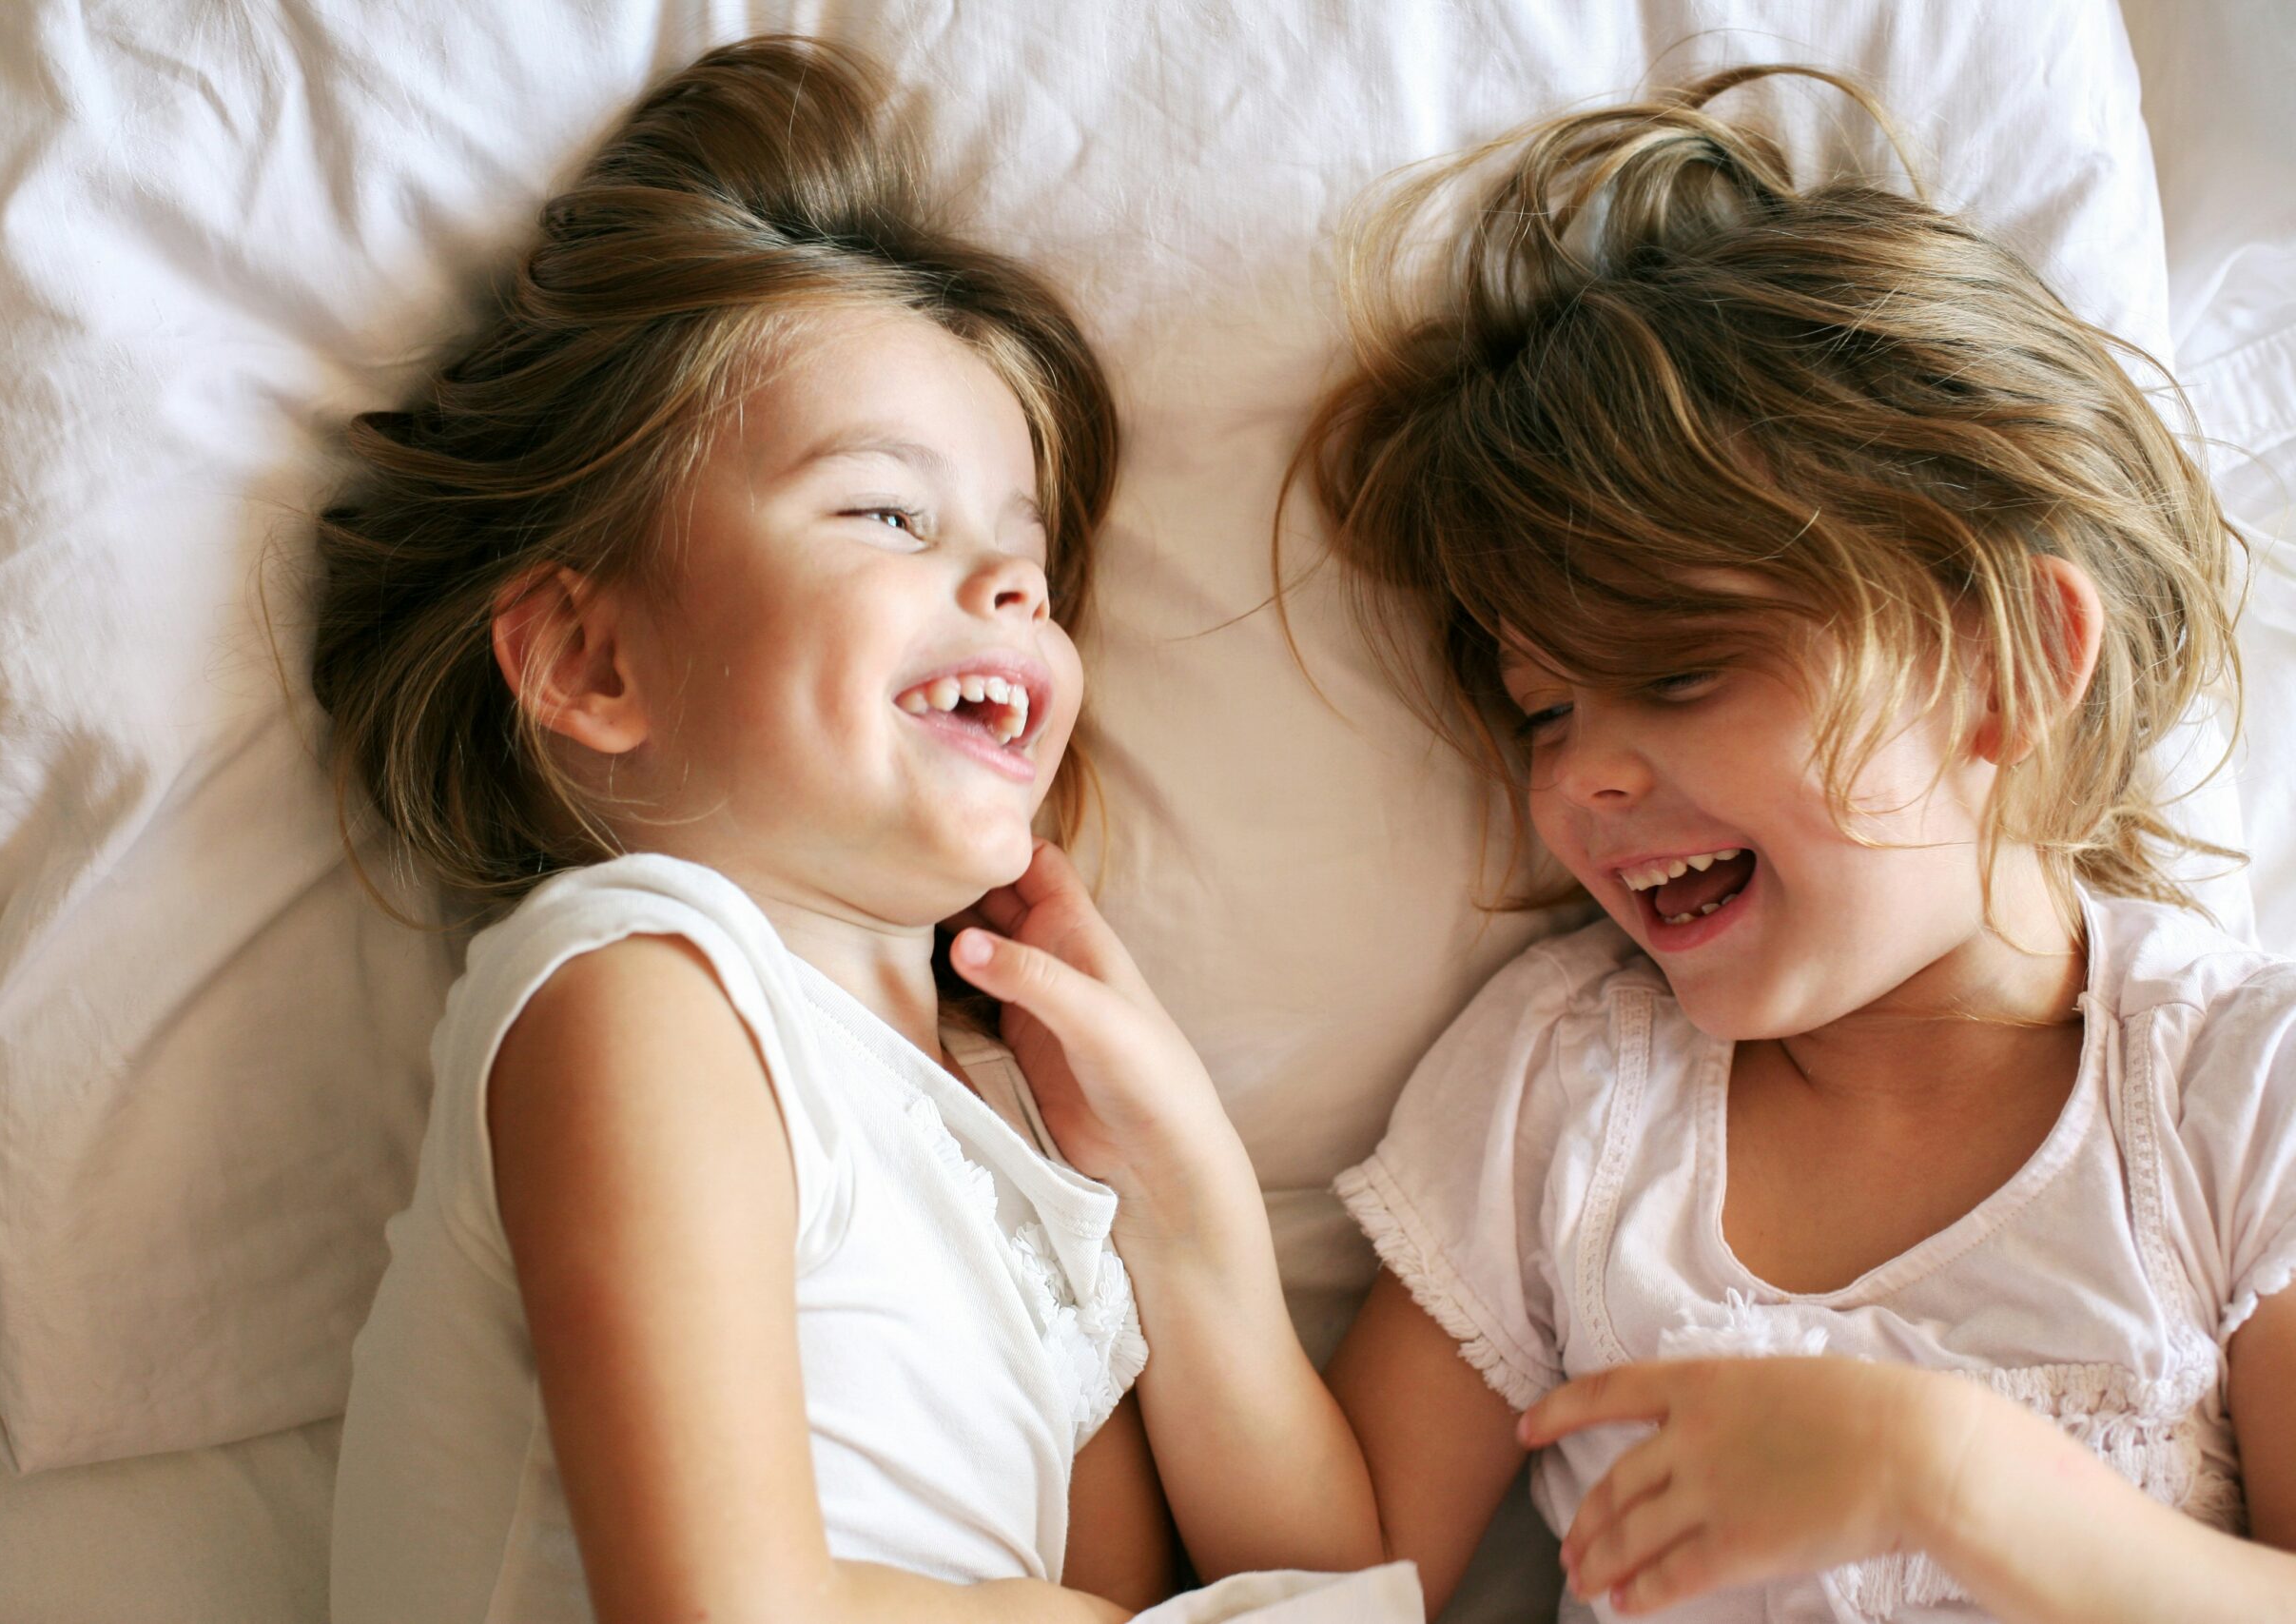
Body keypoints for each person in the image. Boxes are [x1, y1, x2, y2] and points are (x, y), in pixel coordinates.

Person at [955, 66, 2296, 1623]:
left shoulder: (2228, 1096)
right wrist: (1183, 1209)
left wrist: (1953, 1480)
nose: (1583, 777)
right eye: (1543, 710)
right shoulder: (1575, 1094)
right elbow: (1334, 1585)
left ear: (2003, 666)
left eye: (1675, 675)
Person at [311, 36, 1176, 1624]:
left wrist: (1192, 1207)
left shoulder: (1005, 1146)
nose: (1007, 591)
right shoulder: (640, 988)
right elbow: (722, 1607)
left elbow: (1228, 1583)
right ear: (596, 663)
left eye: (1026, 560)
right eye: (889, 515)